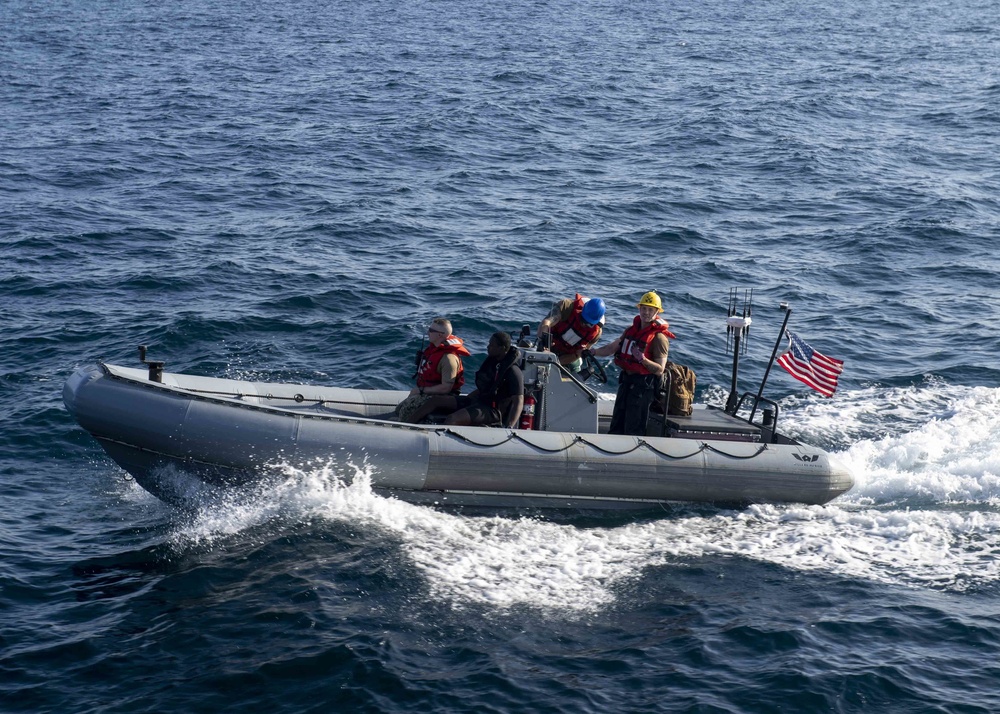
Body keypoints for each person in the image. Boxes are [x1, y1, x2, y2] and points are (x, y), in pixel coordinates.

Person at [591, 291, 675, 436]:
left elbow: (659, 370)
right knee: (617, 423)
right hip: (626, 382)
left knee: (634, 426)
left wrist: (642, 359)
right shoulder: (630, 331)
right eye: (644, 308)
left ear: (657, 312)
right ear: (639, 309)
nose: (646, 313)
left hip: (643, 387)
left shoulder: (659, 338)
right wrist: (594, 352)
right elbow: (612, 348)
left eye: (650, 309)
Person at [403, 331, 524, 428]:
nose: (488, 347)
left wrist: (509, 426)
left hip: (493, 411)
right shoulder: (494, 363)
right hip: (480, 401)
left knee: (453, 419)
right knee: (435, 401)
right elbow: (487, 388)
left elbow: (519, 400)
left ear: (502, 348)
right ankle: (406, 426)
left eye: (491, 345)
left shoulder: (513, 371)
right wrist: (468, 399)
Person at [394, 318, 471, 421]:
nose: (428, 332)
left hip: (443, 396)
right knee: (399, 409)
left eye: (431, 330)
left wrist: (421, 390)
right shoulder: (434, 350)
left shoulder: (448, 359)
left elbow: (446, 388)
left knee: (405, 412)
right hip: (429, 392)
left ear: (440, 335)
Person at [536, 294, 606, 371]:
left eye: (589, 324)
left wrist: (557, 362)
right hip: (547, 347)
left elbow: (578, 354)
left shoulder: (596, 333)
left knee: (575, 376)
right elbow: (546, 323)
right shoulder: (566, 307)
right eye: (583, 320)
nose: (584, 324)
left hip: (569, 356)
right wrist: (544, 344)